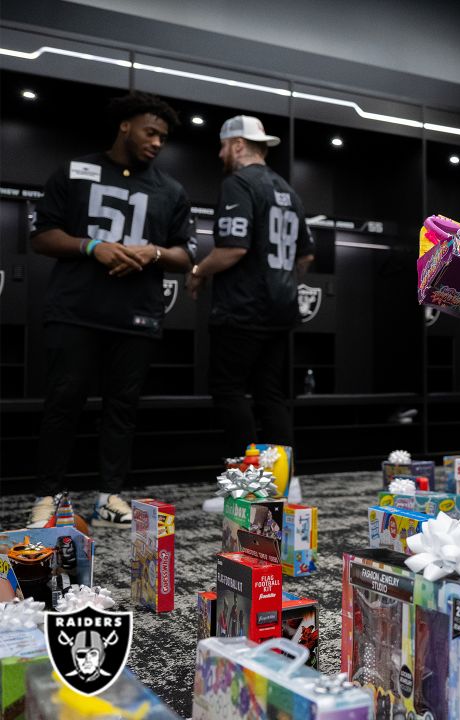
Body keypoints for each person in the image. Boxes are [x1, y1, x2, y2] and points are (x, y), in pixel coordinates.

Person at [27, 91, 194, 528]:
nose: (157, 142)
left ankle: (109, 495)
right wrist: (92, 246)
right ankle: (49, 496)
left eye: (163, 136)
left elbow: (185, 255)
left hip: (136, 314)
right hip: (76, 309)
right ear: (125, 126)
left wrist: (153, 252)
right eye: (150, 132)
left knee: (122, 407)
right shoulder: (75, 170)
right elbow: (42, 236)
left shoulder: (169, 189)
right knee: (64, 402)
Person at [187, 116, 315, 472]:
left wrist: (198, 271)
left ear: (239, 145)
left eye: (223, 145)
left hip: (242, 308)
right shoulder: (288, 191)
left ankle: (246, 488)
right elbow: (306, 255)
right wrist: (280, 278)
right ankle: (284, 485)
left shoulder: (238, 183)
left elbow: (232, 249)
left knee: (229, 391)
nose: (220, 153)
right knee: (270, 394)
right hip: (281, 308)